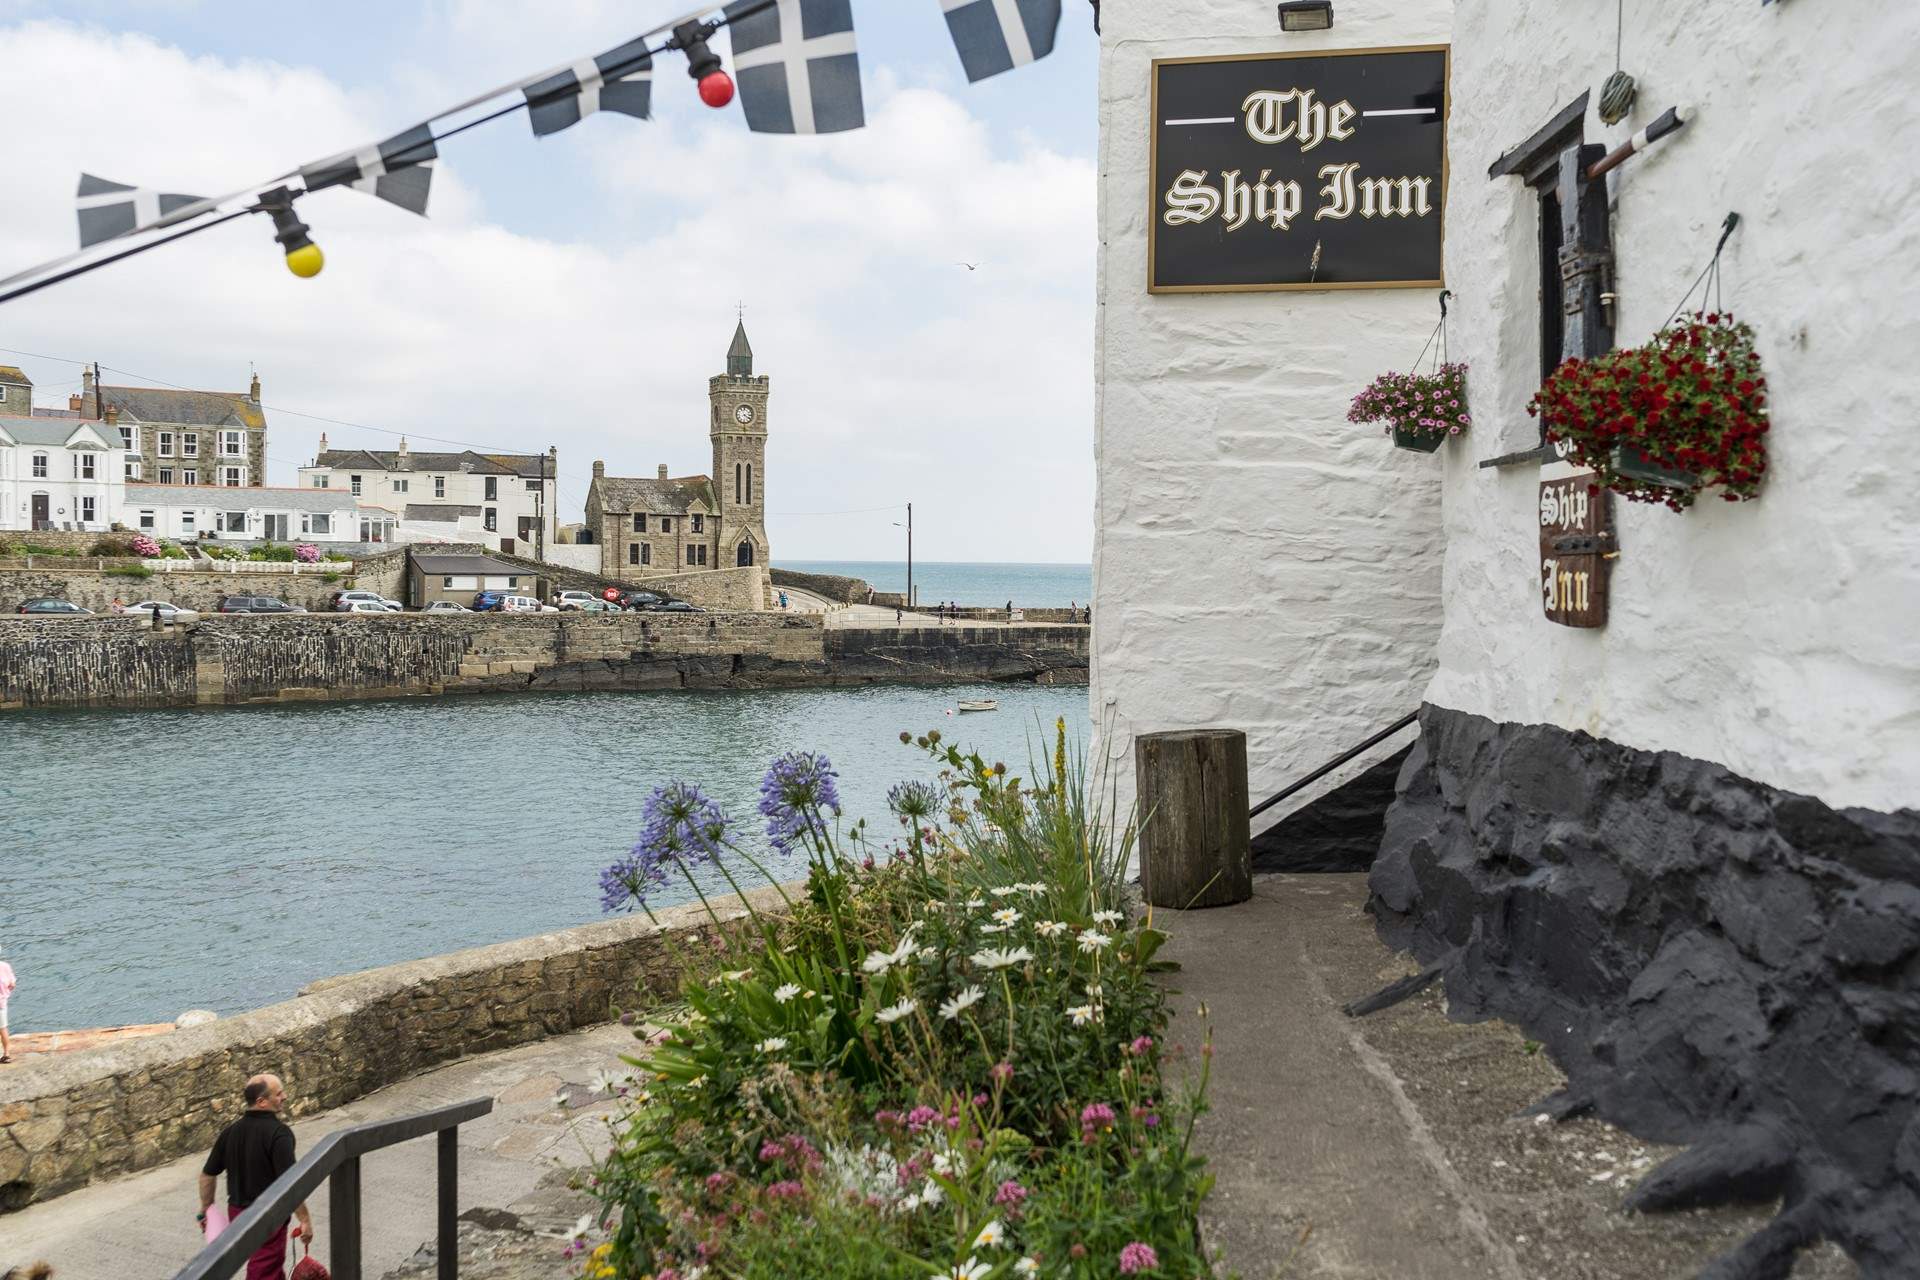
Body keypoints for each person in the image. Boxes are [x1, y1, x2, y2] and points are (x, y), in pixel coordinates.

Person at [200, 1074, 312, 1280]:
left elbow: (208, 1174)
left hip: (236, 1212)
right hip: (268, 1216)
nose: (284, 1097)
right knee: (264, 1271)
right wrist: (304, 1219)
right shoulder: (279, 1134)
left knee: (269, 1266)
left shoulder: (230, 1132)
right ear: (261, 1102)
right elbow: (290, 1182)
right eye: (279, 1094)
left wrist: (205, 1209)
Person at [0, 954, 14, 1063]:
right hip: (1, 1002)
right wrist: (6, 993)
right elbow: (12, 984)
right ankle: (6, 1054)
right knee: (3, 1028)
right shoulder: (5, 966)